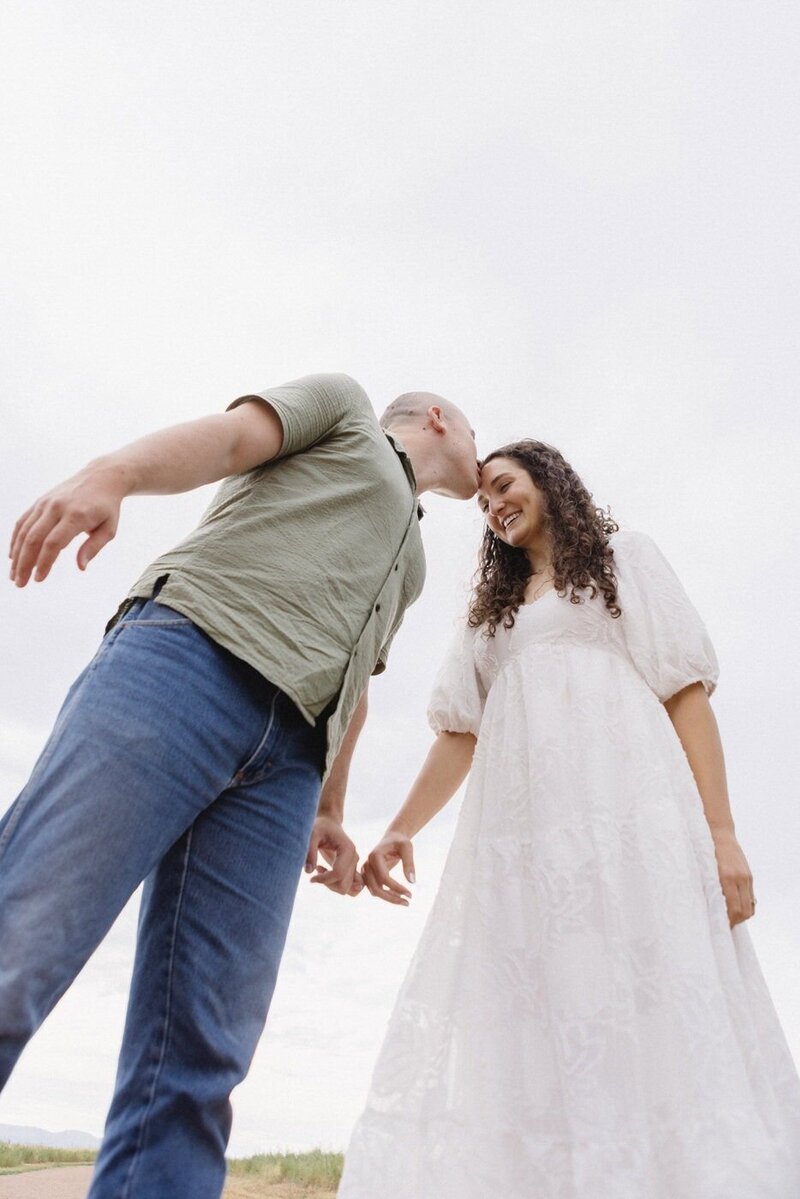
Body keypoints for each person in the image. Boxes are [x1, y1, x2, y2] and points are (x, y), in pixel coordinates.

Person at [1, 373, 479, 1199]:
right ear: (439, 418)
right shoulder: (346, 411)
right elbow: (228, 440)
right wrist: (112, 473)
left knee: (202, 1054)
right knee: (23, 940)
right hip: (187, 661)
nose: (484, 454)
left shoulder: (418, 559)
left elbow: (357, 680)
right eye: (478, 436)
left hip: (288, 764)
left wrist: (330, 806)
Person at [338, 439, 800, 1199]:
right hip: (527, 849)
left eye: (504, 487)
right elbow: (460, 732)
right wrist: (399, 829)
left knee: (654, 994)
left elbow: (686, 694)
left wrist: (722, 832)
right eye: (483, 504)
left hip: (631, 825)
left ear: (549, 479)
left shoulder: (625, 561)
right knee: (540, 1010)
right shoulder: (493, 616)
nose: (493, 508)